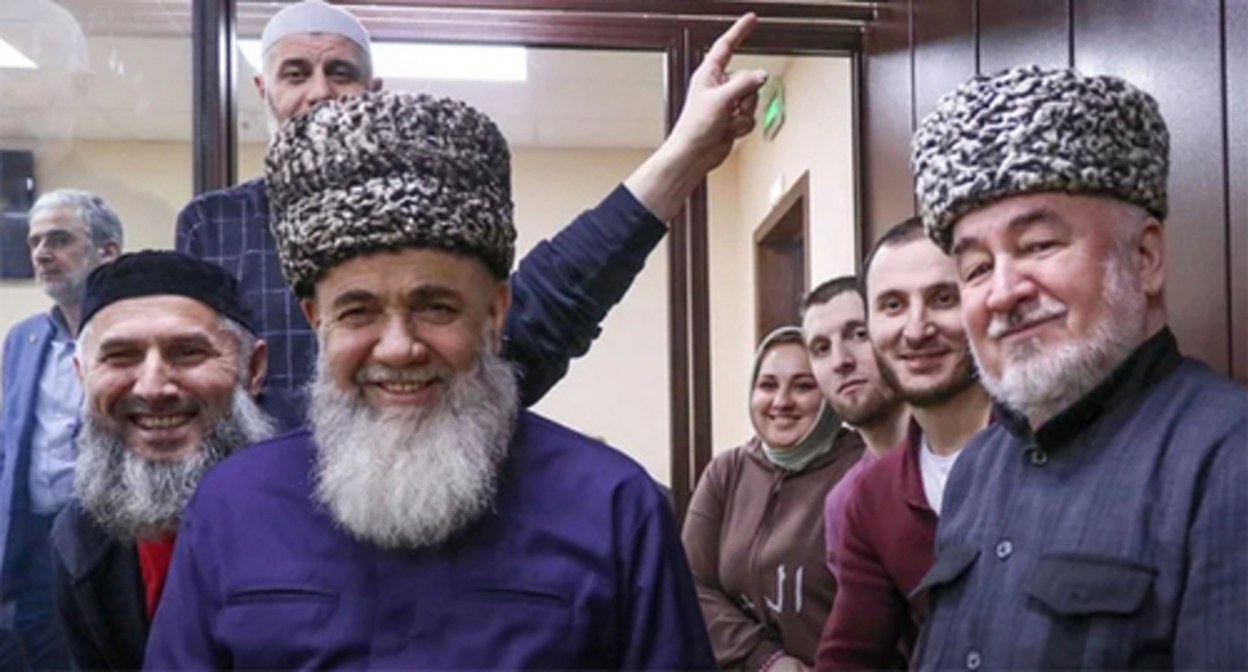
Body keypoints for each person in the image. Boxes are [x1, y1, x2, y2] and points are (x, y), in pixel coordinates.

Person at [144, 89, 715, 669]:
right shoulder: (233, 505)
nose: (399, 347)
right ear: (316, 321)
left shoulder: (615, 509)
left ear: (495, 312)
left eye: (436, 307)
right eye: (358, 311)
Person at [177, 0, 766, 426]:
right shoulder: (214, 225)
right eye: (296, 73)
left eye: (340, 72)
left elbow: (541, 317)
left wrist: (683, 155)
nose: (320, 93)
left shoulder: (427, 209)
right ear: (262, 89)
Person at [909, 65, 1247, 670]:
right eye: (976, 269)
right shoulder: (978, 466)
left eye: (1039, 245)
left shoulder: (1226, 458)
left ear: (1144, 259)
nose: (1003, 292)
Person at [49, 251, 277, 670]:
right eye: (120, 356)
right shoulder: (81, 541)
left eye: (188, 352)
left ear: (254, 368)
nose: (153, 387)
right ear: (82, 375)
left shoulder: (332, 506)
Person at [813, 218, 994, 671]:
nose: (916, 329)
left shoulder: (1055, 449)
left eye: (943, 299)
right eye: (892, 305)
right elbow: (851, 657)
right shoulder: (871, 497)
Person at [683, 326, 864, 671]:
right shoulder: (727, 472)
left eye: (803, 385)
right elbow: (692, 585)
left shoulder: (863, 470)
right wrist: (766, 660)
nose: (782, 402)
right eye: (767, 385)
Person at [0, 189, 122, 670]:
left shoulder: (132, 334)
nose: (42, 254)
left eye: (59, 240)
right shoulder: (24, 338)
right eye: (34, 242)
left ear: (107, 251)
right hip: (32, 543)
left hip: (109, 538)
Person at [799, 276, 908, 581]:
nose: (840, 361)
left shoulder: (965, 455)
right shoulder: (845, 502)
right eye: (821, 349)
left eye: (859, 334)